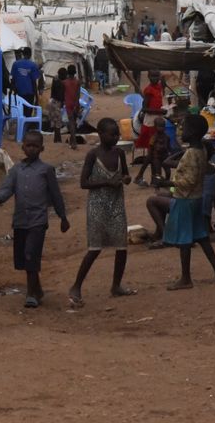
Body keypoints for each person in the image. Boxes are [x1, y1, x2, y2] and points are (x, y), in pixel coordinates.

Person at [0, 132, 70, 309]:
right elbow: (6, 189)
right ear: (23, 147)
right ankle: (37, 289)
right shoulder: (16, 170)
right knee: (24, 258)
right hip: (20, 220)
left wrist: (63, 217)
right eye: (28, 145)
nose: (31, 149)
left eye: (35, 146)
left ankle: (31, 294)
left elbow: (56, 195)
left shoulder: (46, 170)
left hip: (38, 220)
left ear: (42, 148)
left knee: (31, 254)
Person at [68, 118, 135, 307]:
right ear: (100, 134)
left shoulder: (120, 153)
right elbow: (84, 183)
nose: (116, 137)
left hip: (116, 205)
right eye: (112, 134)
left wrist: (126, 179)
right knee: (94, 248)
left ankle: (116, 285)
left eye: (117, 134)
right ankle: (76, 286)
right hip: (97, 207)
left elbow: (125, 175)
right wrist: (107, 183)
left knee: (121, 247)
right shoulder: (92, 155)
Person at [156, 114, 215, 290]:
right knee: (202, 237)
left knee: (184, 240)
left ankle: (186, 278)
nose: (181, 130)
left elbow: (188, 181)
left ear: (193, 132)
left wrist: (166, 183)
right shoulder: (201, 150)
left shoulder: (192, 154)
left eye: (184, 127)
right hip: (197, 198)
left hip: (185, 200)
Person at [134, 72, 166, 186]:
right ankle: (140, 176)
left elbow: (164, 85)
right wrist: (160, 111)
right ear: (148, 77)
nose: (155, 78)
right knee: (152, 152)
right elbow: (145, 108)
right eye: (153, 76)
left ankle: (153, 178)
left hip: (157, 121)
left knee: (154, 153)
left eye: (157, 76)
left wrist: (163, 80)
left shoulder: (158, 87)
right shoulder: (148, 90)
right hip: (150, 123)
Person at [10, 48, 42, 119]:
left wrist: (12, 93)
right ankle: (26, 128)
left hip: (19, 93)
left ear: (23, 54)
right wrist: (36, 97)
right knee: (28, 114)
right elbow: (34, 82)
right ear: (30, 54)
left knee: (20, 112)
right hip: (29, 93)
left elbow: (13, 80)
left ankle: (22, 128)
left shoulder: (15, 64)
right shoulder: (33, 65)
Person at [63, 65, 82, 150]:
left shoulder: (64, 82)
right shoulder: (78, 82)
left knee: (71, 123)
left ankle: (73, 141)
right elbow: (78, 94)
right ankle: (72, 140)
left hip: (68, 104)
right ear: (75, 72)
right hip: (75, 103)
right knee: (73, 122)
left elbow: (63, 94)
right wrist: (77, 105)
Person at [48, 67, 66, 143]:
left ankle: (57, 138)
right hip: (56, 102)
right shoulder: (60, 83)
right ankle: (57, 139)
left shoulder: (55, 80)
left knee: (55, 121)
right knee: (58, 121)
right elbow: (60, 95)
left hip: (53, 102)